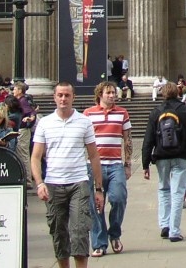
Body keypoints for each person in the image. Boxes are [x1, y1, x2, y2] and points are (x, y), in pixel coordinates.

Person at [31, 81, 104, 268]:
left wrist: (98, 188)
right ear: (54, 97)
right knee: (58, 232)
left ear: (73, 97)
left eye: (67, 95)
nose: (63, 99)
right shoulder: (45, 123)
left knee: (80, 231)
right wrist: (39, 183)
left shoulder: (84, 122)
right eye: (60, 95)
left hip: (78, 183)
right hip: (53, 184)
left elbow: (94, 155)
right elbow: (36, 157)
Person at [142, 81, 186, 242]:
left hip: (161, 156)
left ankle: (164, 224)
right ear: (178, 93)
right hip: (182, 155)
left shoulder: (156, 112)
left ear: (162, 94)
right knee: (178, 192)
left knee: (163, 189)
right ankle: (174, 230)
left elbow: (148, 139)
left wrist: (145, 163)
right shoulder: (185, 111)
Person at [83, 81, 133, 257]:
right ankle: (99, 243)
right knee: (95, 206)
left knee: (119, 198)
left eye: (113, 92)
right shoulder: (88, 114)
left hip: (115, 165)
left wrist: (128, 164)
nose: (112, 95)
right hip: (93, 166)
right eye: (108, 93)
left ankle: (115, 233)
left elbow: (127, 140)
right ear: (100, 94)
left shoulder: (122, 113)